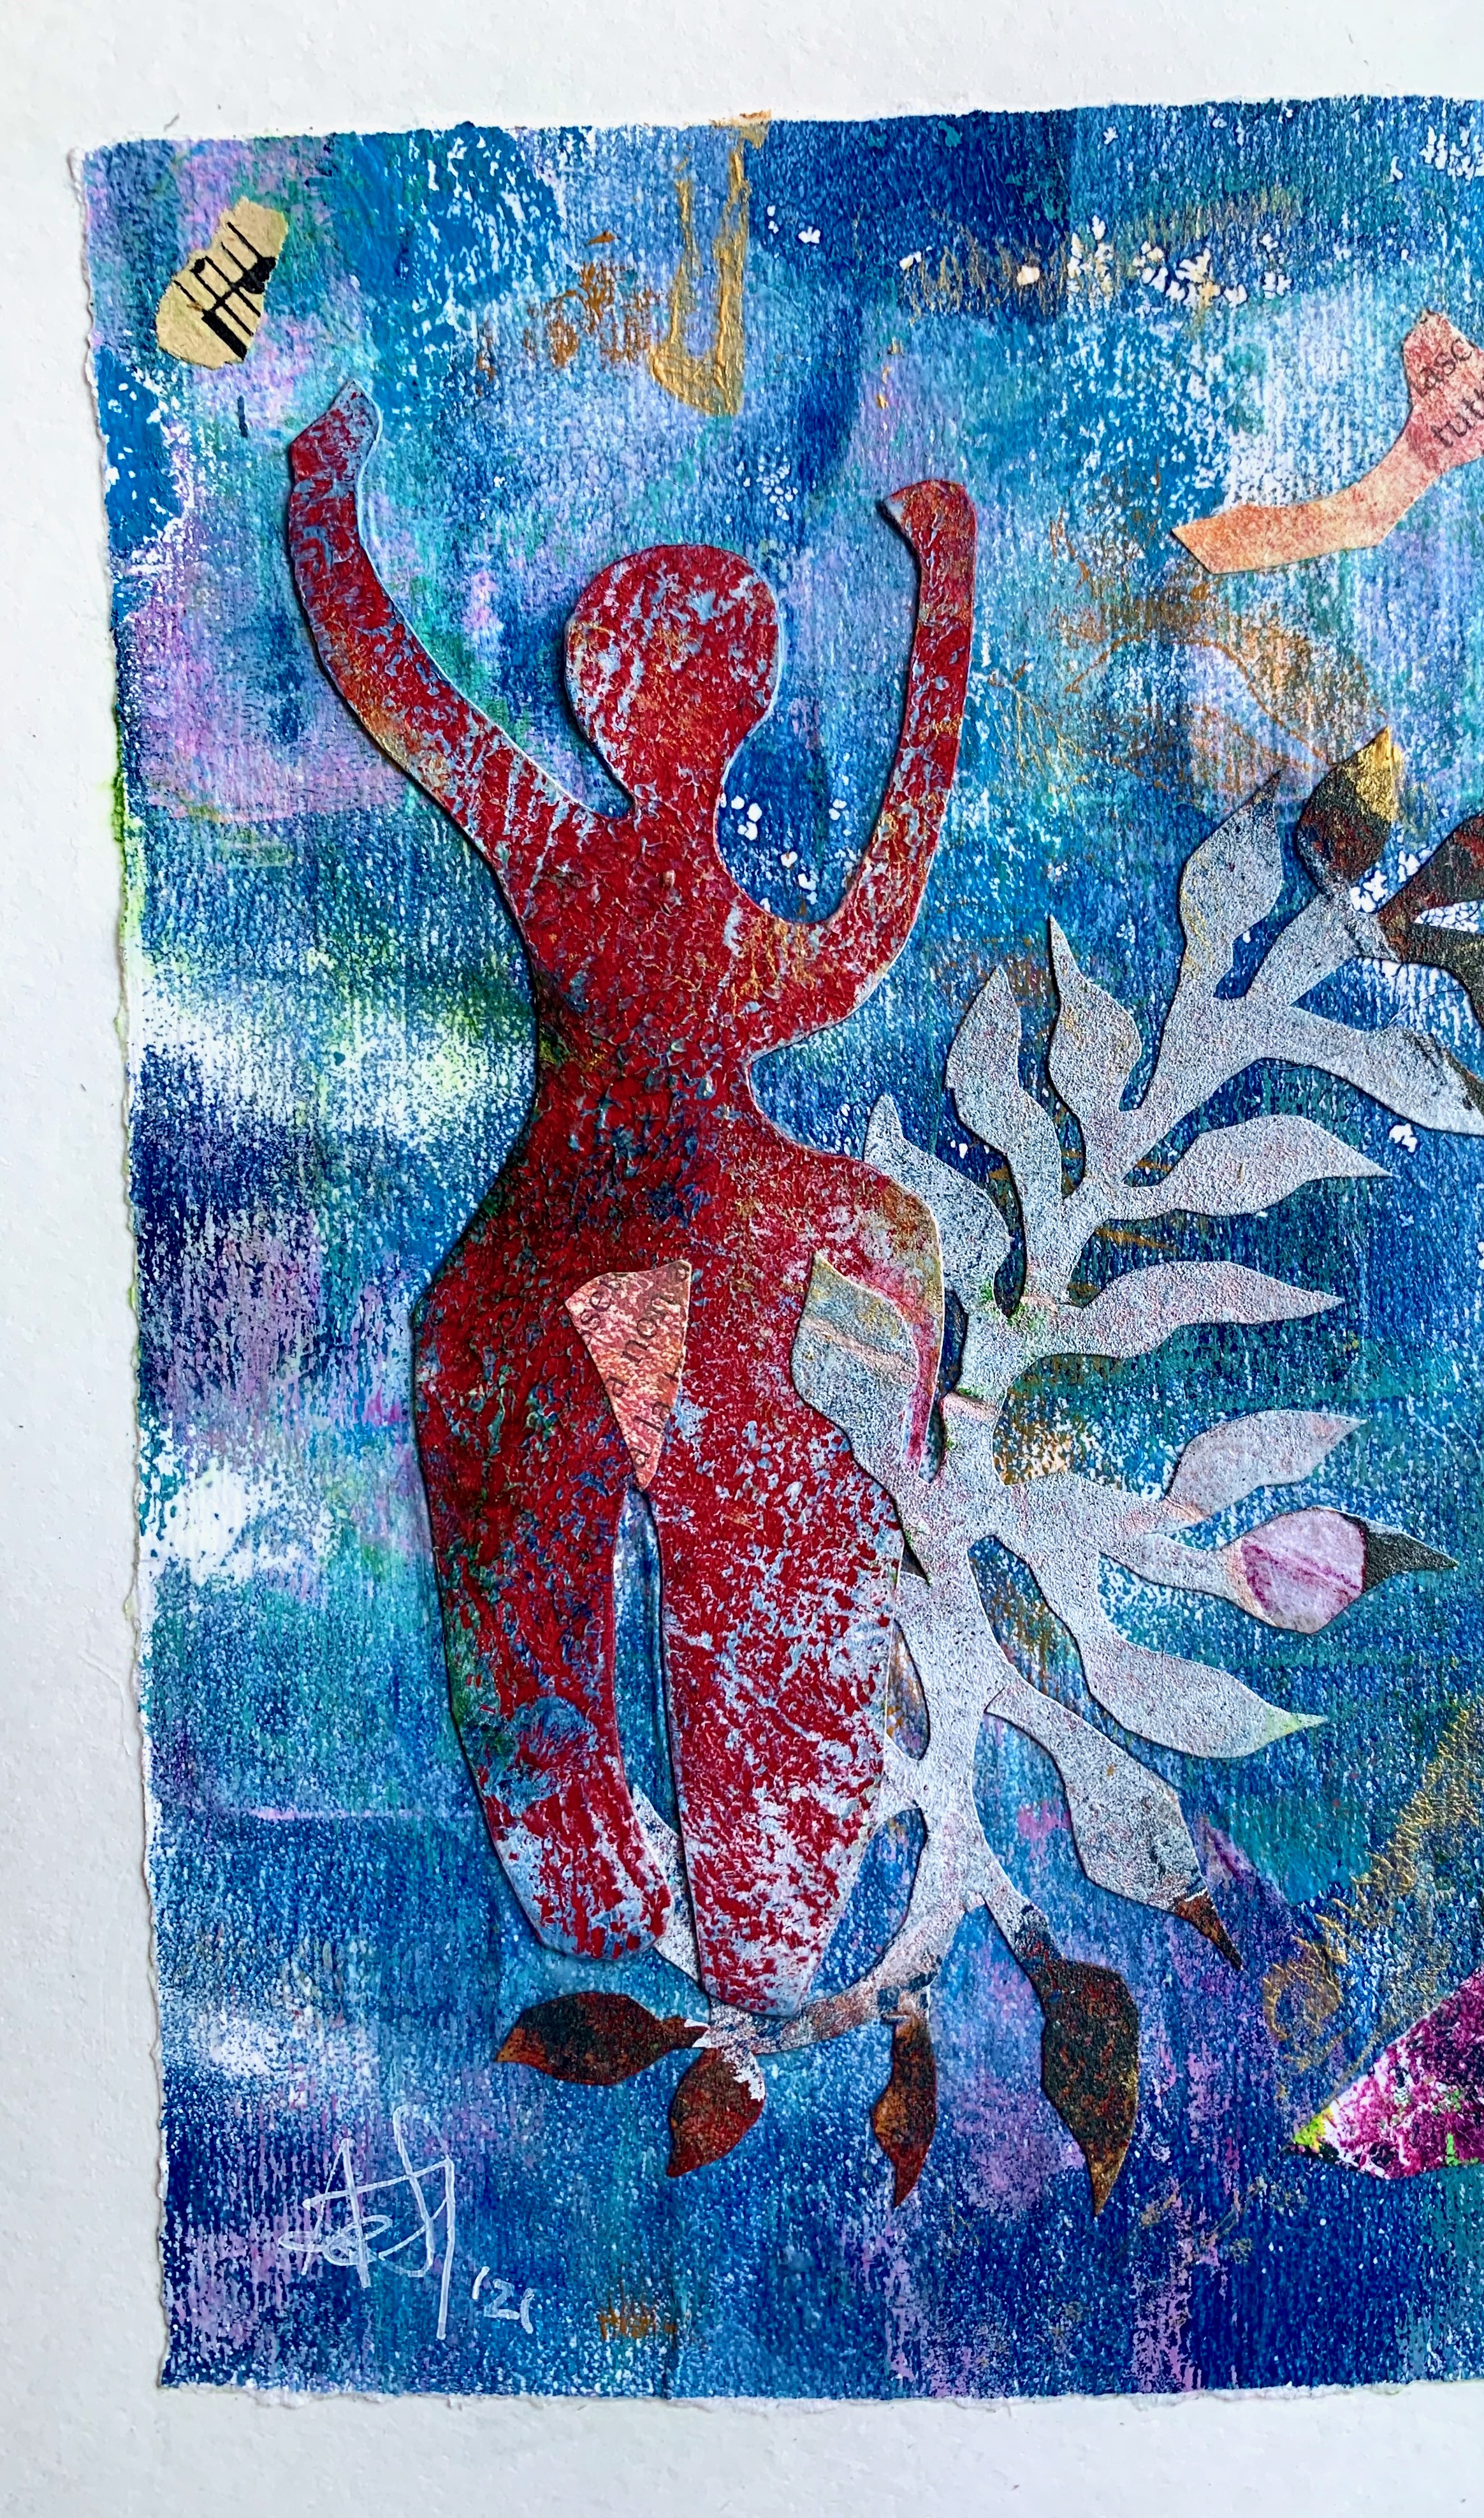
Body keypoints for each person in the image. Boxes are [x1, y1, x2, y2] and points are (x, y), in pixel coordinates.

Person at [287, 384, 975, 2013]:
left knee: (575, 1528)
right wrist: (943, 596)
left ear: (599, 706)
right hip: (685, 1262)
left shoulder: (559, 854)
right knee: (754, 1537)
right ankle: (750, 1887)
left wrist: (327, 511)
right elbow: (890, 880)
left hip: (578, 1261)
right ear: (739, 712)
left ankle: (622, 1862)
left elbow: (406, 696)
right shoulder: (738, 930)